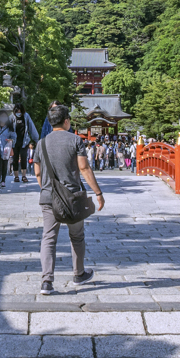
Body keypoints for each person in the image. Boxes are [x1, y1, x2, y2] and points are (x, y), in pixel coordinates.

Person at [35, 101, 106, 295]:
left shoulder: (41, 143)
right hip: (72, 198)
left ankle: (47, 282)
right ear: (67, 121)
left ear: (50, 122)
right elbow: (83, 168)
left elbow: (38, 172)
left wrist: (47, 190)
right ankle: (78, 274)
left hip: (49, 197)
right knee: (77, 236)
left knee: (48, 238)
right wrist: (98, 193)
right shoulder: (75, 141)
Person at [11, 109, 38, 183]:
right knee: (15, 159)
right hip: (14, 142)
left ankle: (24, 176)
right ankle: (16, 176)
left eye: (20, 112)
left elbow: (32, 128)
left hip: (24, 142)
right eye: (17, 112)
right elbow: (8, 129)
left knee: (24, 158)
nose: (18, 113)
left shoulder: (26, 116)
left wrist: (36, 139)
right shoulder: (12, 117)